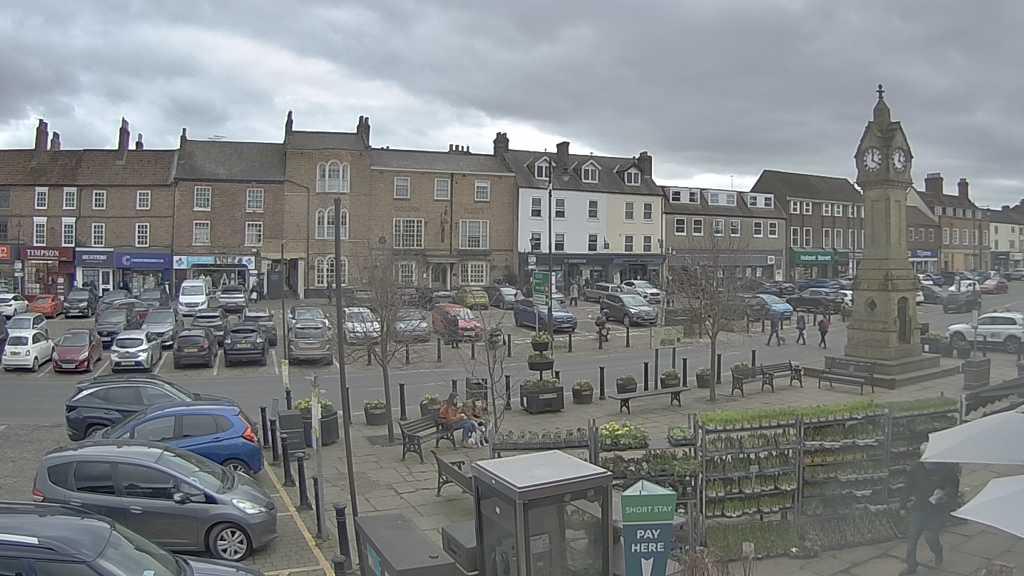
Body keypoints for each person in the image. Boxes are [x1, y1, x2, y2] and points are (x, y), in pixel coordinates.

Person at [899, 445, 958, 575]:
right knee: (912, 538)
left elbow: (953, 487)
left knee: (930, 537)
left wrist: (945, 494)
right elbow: (907, 487)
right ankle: (911, 566)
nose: (929, 463)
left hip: (937, 510)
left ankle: (938, 552)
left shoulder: (946, 469)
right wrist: (902, 505)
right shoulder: (916, 469)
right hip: (919, 507)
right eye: (926, 460)